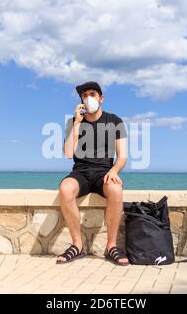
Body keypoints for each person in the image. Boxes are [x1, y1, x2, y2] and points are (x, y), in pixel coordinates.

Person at [57, 81, 129, 266]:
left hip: (104, 172)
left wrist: (114, 171)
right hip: (81, 172)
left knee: (115, 189)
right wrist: (77, 124)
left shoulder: (114, 121)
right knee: (65, 189)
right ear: (81, 100)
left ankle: (111, 246)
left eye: (92, 94)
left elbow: (122, 157)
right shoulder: (73, 122)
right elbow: (67, 154)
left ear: (101, 98)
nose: (88, 98)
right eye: (84, 95)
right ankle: (77, 246)